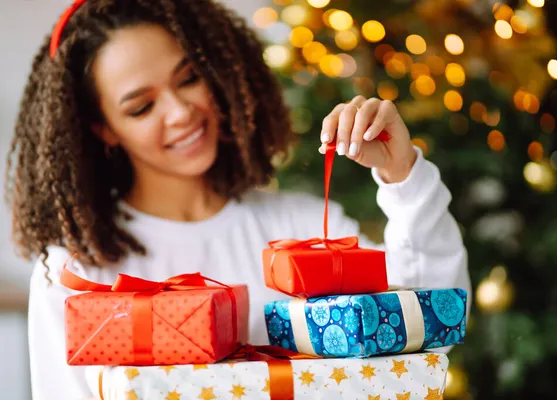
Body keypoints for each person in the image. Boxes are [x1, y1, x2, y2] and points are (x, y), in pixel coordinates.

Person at [5, 0, 471, 399]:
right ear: (102, 129)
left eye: (187, 78)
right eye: (141, 107)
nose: (181, 112)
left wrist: (400, 173)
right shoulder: (76, 271)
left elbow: (432, 324)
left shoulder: (304, 225)